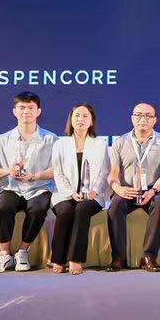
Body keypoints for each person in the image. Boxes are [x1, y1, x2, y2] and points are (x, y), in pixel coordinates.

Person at [0, 91, 57, 273]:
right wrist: (8, 171)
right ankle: (4, 254)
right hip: (11, 187)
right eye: (22, 108)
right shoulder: (1, 140)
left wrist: (34, 176)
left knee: (38, 208)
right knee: (3, 205)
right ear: (14, 111)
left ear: (38, 111)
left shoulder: (51, 139)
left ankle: (23, 251)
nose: (26, 112)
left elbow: (57, 170)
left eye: (31, 108)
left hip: (39, 188)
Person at [106, 101, 160, 273]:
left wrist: (153, 191)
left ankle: (148, 256)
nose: (143, 119)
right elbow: (113, 173)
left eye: (148, 116)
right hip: (127, 189)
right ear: (132, 118)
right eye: (139, 115)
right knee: (115, 205)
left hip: (153, 189)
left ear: (155, 120)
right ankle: (118, 257)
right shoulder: (120, 142)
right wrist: (118, 189)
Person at [48, 103, 109, 274]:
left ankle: (75, 259)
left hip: (92, 195)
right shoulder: (60, 144)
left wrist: (95, 190)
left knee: (82, 208)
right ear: (70, 119)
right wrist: (70, 193)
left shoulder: (100, 143)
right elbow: (58, 173)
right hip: (64, 194)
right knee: (65, 211)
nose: (80, 119)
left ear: (91, 121)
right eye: (76, 115)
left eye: (85, 116)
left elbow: (104, 172)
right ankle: (58, 259)